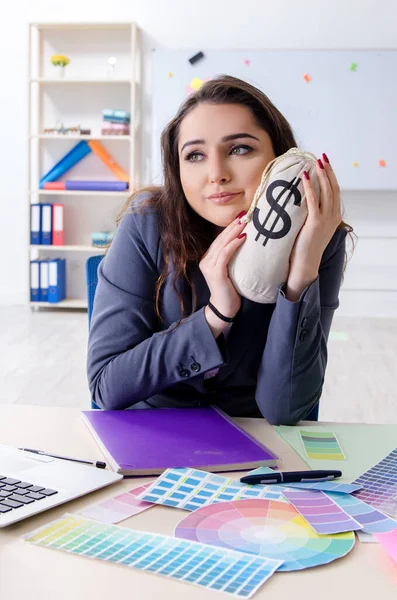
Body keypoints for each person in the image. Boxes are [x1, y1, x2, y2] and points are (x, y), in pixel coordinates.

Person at [87, 75, 353, 425]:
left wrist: (300, 276)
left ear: (279, 158)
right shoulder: (147, 224)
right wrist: (216, 315)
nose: (216, 174)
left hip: (255, 441)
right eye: (195, 155)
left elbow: (285, 409)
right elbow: (106, 387)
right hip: (151, 432)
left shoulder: (317, 237)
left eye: (239, 149)